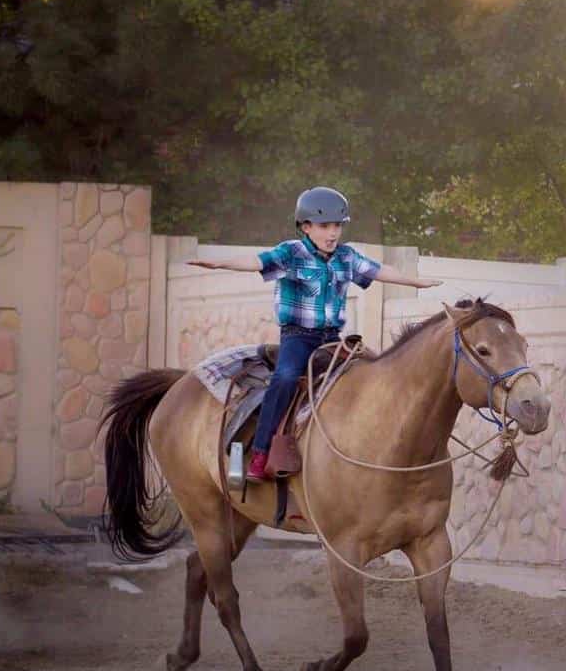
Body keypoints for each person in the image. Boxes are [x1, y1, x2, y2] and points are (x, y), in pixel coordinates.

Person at [188, 186, 442, 482]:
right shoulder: (291, 253)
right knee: (284, 379)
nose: (332, 233)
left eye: (337, 226)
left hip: (333, 339)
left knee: (369, 375)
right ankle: (260, 451)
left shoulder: (346, 257)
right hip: (298, 337)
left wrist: (415, 282)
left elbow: (378, 271)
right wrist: (220, 263)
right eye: (324, 226)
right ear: (306, 227)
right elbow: (257, 262)